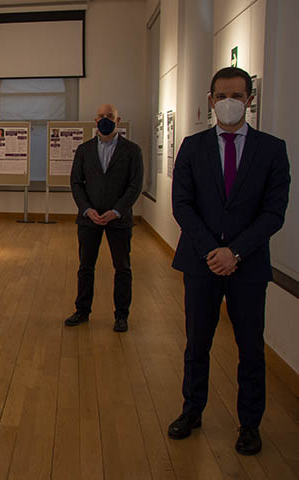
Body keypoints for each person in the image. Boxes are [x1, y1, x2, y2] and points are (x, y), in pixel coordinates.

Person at [167, 67, 290, 455]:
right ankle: (192, 410)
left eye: (237, 95)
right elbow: (182, 205)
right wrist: (212, 251)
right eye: (221, 96)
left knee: (250, 347)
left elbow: (274, 212)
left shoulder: (272, 149)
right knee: (196, 343)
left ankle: (250, 424)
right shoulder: (193, 146)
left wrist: (234, 252)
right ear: (210, 100)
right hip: (201, 262)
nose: (229, 102)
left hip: (248, 266)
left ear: (250, 99)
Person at [65, 104, 143, 332]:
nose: (105, 119)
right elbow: (76, 183)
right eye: (101, 116)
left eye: (110, 116)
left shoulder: (132, 151)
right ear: (95, 120)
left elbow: (134, 185)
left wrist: (116, 211)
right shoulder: (84, 150)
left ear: (118, 120)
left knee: (122, 268)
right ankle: (82, 311)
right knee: (86, 267)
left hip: (118, 220)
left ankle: (121, 316)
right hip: (89, 219)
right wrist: (87, 209)